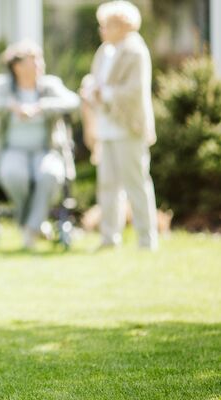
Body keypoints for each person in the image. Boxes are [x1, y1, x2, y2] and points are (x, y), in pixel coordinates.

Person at [0, 41, 80, 249]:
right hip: (12, 150)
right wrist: (9, 105)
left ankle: (30, 229)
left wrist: (42, 107)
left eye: (40, 59)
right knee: (13, 175)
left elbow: (74, 101)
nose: (40, 64)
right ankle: (34, 225)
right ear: (17, 67)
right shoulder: (4, 85)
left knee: (50, 174)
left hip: (45, 149)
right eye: (34, 61)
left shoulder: (49, 85)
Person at [81, 1, 158, 250]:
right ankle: (109, 238)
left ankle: (147, 240)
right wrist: (91, 90)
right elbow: (96, 79)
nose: (102, 30)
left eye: (107, 25)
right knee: (108, 185)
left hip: (129, 127)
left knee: (136, 182)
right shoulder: (105, 51)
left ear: (122, 26)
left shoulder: (136, 51)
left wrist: (106, 93)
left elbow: (135, 90)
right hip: (106, 127)